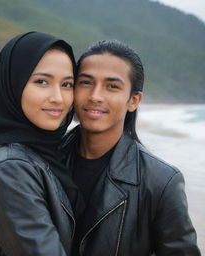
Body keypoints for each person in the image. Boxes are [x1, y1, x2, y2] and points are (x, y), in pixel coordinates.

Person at [61, 40, 201, 255]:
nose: (95, 96)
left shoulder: (161, 182)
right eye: (86, 82)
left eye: (112, 86)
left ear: (133, 100)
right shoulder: (42, 160)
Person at [0, 31, 82, 256]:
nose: (58, 97)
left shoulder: (50, 153)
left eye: (67, 84)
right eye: (42, 81)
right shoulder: (9, 167)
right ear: (13, 85)